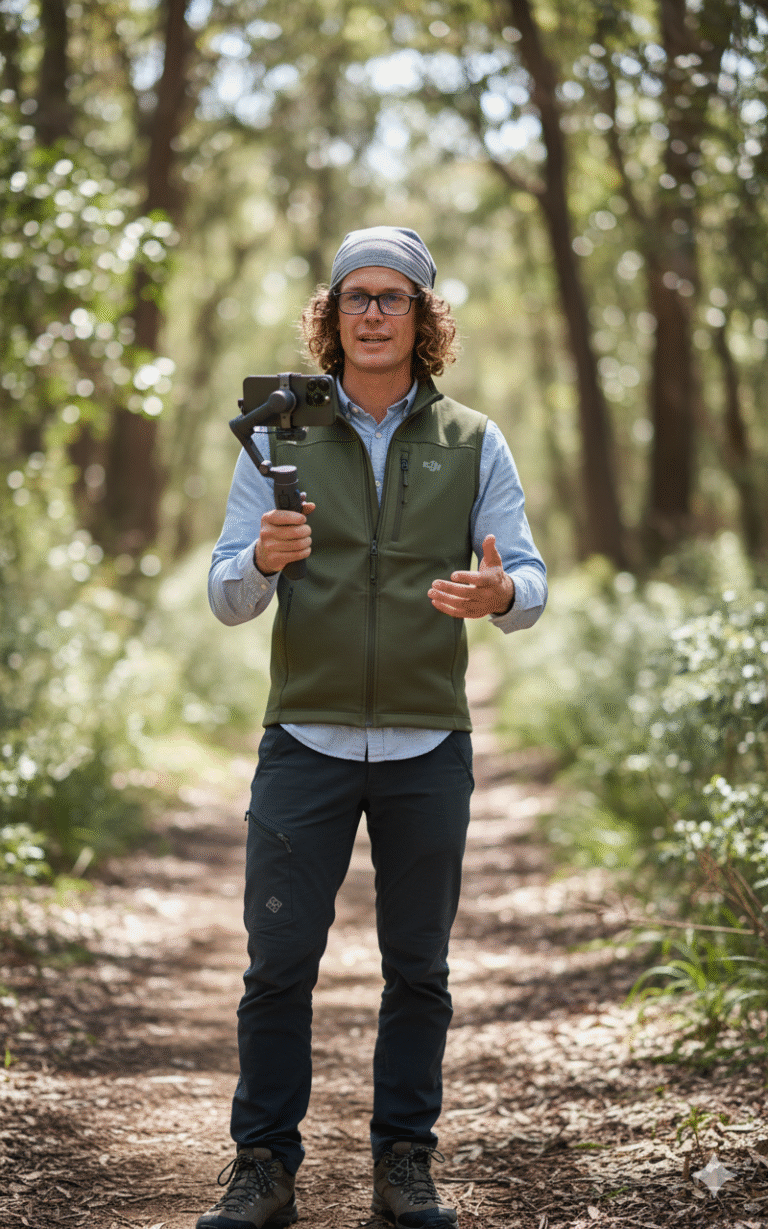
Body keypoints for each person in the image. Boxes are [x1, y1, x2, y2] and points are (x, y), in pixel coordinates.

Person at [200, 226, 547, 1229]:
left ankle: (405, 1156)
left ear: (424, 316)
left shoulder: (473, 438)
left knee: (419, 965)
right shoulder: (279, 427)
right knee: (277, 961)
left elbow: (529, 577)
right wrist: (262, 560)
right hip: (302, 738)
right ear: (332, 313)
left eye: (395, 297)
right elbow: (225, 596)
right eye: (358, 296)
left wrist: (500, 592)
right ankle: (262, 1162)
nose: (375, 312)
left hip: (427, 741)